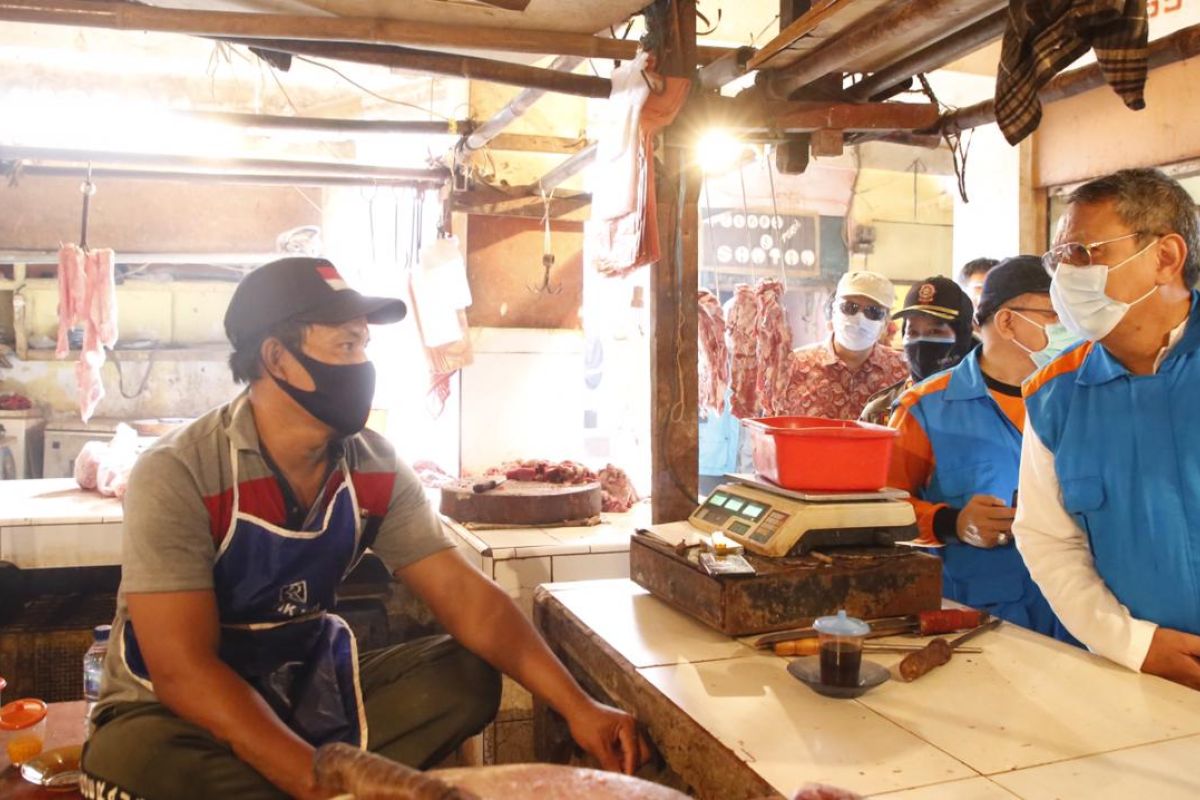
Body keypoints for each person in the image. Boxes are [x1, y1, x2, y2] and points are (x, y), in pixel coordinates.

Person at [81, 257, 649, 800]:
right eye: (345, 346)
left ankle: (299, 782)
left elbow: (464, 599)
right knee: (146, 762)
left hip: (301, 695)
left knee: (465, 676)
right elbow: (183, 672)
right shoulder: (181, 472)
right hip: (171, 714)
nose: (363, 366)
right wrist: (314, 775)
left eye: (364, 346)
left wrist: (578, 707)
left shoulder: (371, 466)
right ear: (277, 359)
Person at [1017, 168, 1200, 690]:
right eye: (1059, 260)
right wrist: (1135, 645)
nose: (1065, 277)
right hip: (1139, 679)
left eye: (1085, 253)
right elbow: (1049, 541)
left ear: (1165, 258)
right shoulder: (1053, 395)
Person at [888, 257, 1079, 641]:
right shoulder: (926, 408)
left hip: (1076, 619)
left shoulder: (1083, 401)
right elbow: (881, 511)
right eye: (1057, 315)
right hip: (973, 625)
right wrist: (951, 522)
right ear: (1008, 321)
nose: (1071, 330)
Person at [780, 270, 908, 420]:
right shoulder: (794, 366)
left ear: (886, 321)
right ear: (833, 310)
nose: (859, 318)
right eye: (849, 307)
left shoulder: (902, 371)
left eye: (873, 311)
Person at [860, 277, 975, 425]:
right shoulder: (879, 412)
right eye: (913, 332)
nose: (921, 343)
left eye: (935, 331)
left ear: (963, 336)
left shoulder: (988, 406)